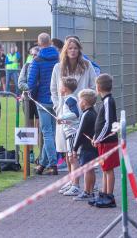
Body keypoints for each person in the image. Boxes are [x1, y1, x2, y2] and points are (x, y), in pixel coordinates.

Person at [51, 37, 96, 195]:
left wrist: (88, 102)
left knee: (78, 151)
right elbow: (54, 91)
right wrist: (58, 107)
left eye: (75, 48)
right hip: (64, 114)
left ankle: (82, 184)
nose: (72, 51)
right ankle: (71, 180)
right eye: (70, 48)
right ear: (65, 50)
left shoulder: (86, 65)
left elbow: (93, 84)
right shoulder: (58, 67)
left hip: (81, 113)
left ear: (79, 50)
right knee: (67, 150)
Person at [28, 33, 59, 175]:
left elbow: (32, 82)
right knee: (52, 132)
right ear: (50, 42)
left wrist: (32, 96)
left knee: (47, 133)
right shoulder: (59, 57)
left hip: (43, 100)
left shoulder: (37, 60)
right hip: (57, 99)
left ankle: (53, 164)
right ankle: (42, 164)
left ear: (39, 43)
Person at [89, 73, 119, 208]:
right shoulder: (106, 100)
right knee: (105, 168)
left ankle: (109, 196)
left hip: (108, 141)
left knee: (109, 169)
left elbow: (107, 123)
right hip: (103, 141)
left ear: (99, 87)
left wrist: (98, 138)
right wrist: (96, 137)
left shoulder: (108, 101)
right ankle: (103, 193)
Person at [71, 89, 98, 201]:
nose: (78, 102)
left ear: (84, 102)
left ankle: (87, 191)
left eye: (79, 100)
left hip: (87, 147)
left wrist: (74, 148)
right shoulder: (93, 113)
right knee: (90, 169)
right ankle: (91, 191)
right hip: (93, 148)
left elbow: (80, 132)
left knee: (87, 170)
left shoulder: (86, 115)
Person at [56, 77, 80, 195]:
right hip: (68, 132)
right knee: (70, 158)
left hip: (72, 133)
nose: (59, 88)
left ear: (65, 88)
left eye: (60, 85)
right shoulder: (67, 99)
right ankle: (72, 182)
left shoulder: (70, 99)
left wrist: (62, 118)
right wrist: (63, 121)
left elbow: (75, 114)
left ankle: (76, 185)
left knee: (73, 158)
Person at [18, 46, 40, 163]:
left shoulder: (42, 66)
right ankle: (30, 153)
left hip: (41, 100)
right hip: (28, 100)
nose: (34, 57)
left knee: (40, 127)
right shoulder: (26, 66)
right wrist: (30, 89)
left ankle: (41, 154)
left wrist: (37, 89)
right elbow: (21, 83)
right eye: (33, 55)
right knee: (29, 127)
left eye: (36, 54)